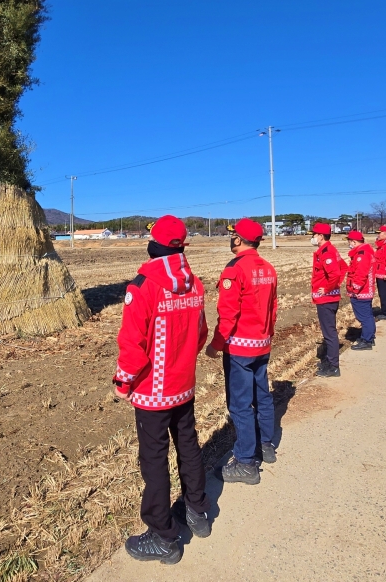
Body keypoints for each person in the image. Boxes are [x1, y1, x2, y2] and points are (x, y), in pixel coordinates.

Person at [113, 214, 210, 565]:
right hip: (183, 386)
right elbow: (200, 333)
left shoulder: (143, 286)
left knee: (153, 459)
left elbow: (133, 343)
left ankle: (163, 535)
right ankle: (198, 510)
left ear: (153, 244)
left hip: (153, 392)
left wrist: (123, 381)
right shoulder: (195, 284)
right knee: (188, 444)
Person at [205, 218, 278, 486]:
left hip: (240, 347)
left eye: (232, 235)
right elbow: (273, 307)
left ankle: (246, 462)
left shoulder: (234, 270)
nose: (230, 238)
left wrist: (216, 344)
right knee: (263, 395)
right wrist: (266, 334)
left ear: (239, 239)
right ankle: (266, 445)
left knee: (240, 404)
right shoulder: (268, 268)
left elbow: (228, 313)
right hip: (262, 343)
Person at [311, 222, 347, 377]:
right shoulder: (329, 250)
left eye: (314, 235)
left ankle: (333, 367)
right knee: (329, 331)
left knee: (329, 333)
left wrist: (326, 288)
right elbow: (344, 267)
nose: (312, 237)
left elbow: (335, 274)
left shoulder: (326, 252)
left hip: (326, 299)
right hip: (329, 297)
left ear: (320, 236)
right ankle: (329, 361)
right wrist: (334, 286)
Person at [345, 230, 376, 350]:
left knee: (364, 316)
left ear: (354, 241)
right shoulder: (363, 252)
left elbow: (360, 274)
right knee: (366, 315)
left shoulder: (361, 255)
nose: (349, 244)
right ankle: (368, 337)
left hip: (361, 292)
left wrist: (355, 289)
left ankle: (367, 340)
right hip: (363, 290)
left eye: (349, 241)